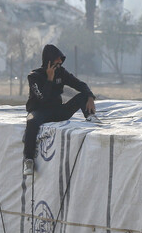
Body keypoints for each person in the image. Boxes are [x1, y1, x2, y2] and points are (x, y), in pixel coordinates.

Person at [22, 44, 97, 176]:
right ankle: (28, 160)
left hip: (57, 111)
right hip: (40, 111)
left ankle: (90, 116)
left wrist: (90, 96)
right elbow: (42, 99)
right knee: (31, 122)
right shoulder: (34, 76)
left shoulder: (61, 72)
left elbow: (79, 84)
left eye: (61, 61)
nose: (60, 63)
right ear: (49, 60)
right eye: (57, 60)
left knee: (83, 95)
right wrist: (50, 79)